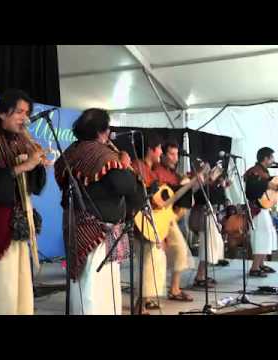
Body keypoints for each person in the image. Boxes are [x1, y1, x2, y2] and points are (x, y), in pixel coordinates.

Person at [54, 108, 143, 315]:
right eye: (107, 129)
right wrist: (125, 165)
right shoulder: (103, 154)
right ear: (102, 132)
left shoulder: (73, 151)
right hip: (97, 231)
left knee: (85, 283)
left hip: (78, 225)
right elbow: (125, 185)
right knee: (98, 286)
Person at [0, 89, 47, 315]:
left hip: (18, 227)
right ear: (3, 113)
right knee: (2, 291)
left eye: (27, 113)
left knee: (22, 289)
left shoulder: (21, 141)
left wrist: (37, 164)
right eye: (19, 112)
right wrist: (24, 166)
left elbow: (34, 187)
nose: (24, 118)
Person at [152, 140, 195, 302]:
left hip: (170, 218)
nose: (175, 157)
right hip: (157, 218)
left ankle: (174, 289)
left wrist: (191, 184)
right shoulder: (157, 171)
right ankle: (153, 294)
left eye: (176, 154)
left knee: (180, 250)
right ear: (162, 155)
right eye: (171, 154)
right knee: (157, 256)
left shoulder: (175, 174)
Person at [130, 133, 168, 314]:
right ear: (150, 149)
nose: (162, 151)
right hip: (141, 219)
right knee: (146, 262)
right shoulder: (138, 166)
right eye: (159, 148)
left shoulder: (152, 169)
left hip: (151, 218)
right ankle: (140, 303)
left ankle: (145, 300)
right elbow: (140, 193)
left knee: (153, 260)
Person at [243, 147, 278, 277]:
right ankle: (254, 267)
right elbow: (251, 191)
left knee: (268, 236)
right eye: (272, 158)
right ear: (265, 158)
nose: (273, 160)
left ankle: (261, 264)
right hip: (256, 209)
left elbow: (270, 191)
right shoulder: (254, 172)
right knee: (261, 237)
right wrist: (267, 184)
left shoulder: (264, 172)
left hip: (263, 209)